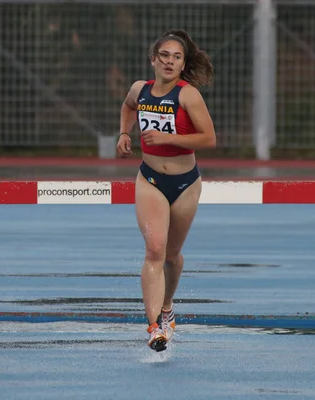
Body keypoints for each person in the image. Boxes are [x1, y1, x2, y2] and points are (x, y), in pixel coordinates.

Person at [116, 29, 216, 352]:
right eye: (165, 56)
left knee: (172, 257)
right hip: (150, 181)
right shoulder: (140, 90)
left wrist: (171, 139)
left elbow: (209, 139)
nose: (170, 62)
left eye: (177, 57)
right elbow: (128, 106)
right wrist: (123, 133)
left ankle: (167, 305)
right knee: (154, 250)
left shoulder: (188, 96)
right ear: (153, 60)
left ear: (183, 63)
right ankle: (154, 327)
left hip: (185, 184)